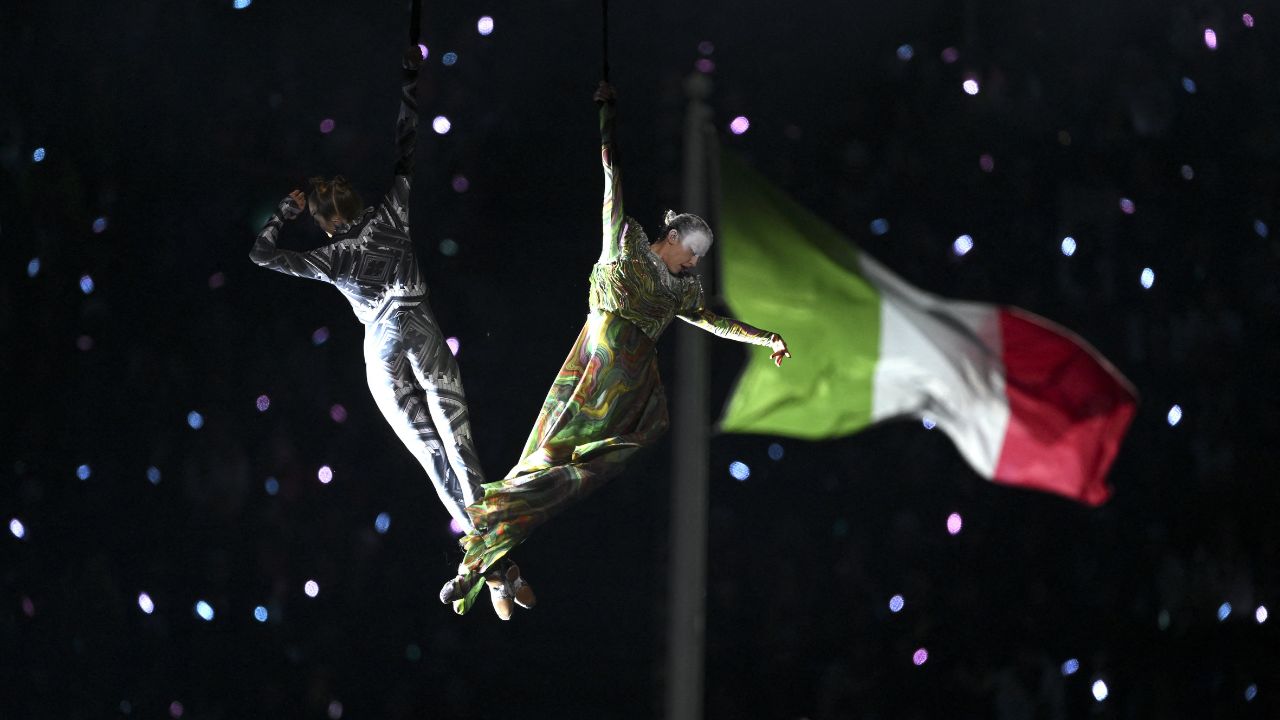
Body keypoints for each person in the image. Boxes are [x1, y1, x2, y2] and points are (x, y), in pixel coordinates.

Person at [440, 81, 790, 607]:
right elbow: (612, 175)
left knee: (571, 476)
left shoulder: (683, 289)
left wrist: (766, 337)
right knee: (539, 467)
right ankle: (486, 570)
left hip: (629, 395)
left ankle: (485, 565)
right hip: (589, 372)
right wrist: (607, 113)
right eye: (692, 252)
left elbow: (713, 323)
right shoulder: (622, 240)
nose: (695, 263)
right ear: (673, 239)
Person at [249, 45, 532, 620]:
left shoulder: (331, 256)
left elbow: (260, 254)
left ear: (325, 221)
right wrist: (409, 77)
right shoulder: (393, 211)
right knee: (459, 442)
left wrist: (284, 212)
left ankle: (498, 570)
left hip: (380, 348)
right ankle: (497, 561)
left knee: (434, 459)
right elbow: (407, 142)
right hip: (418, 324)